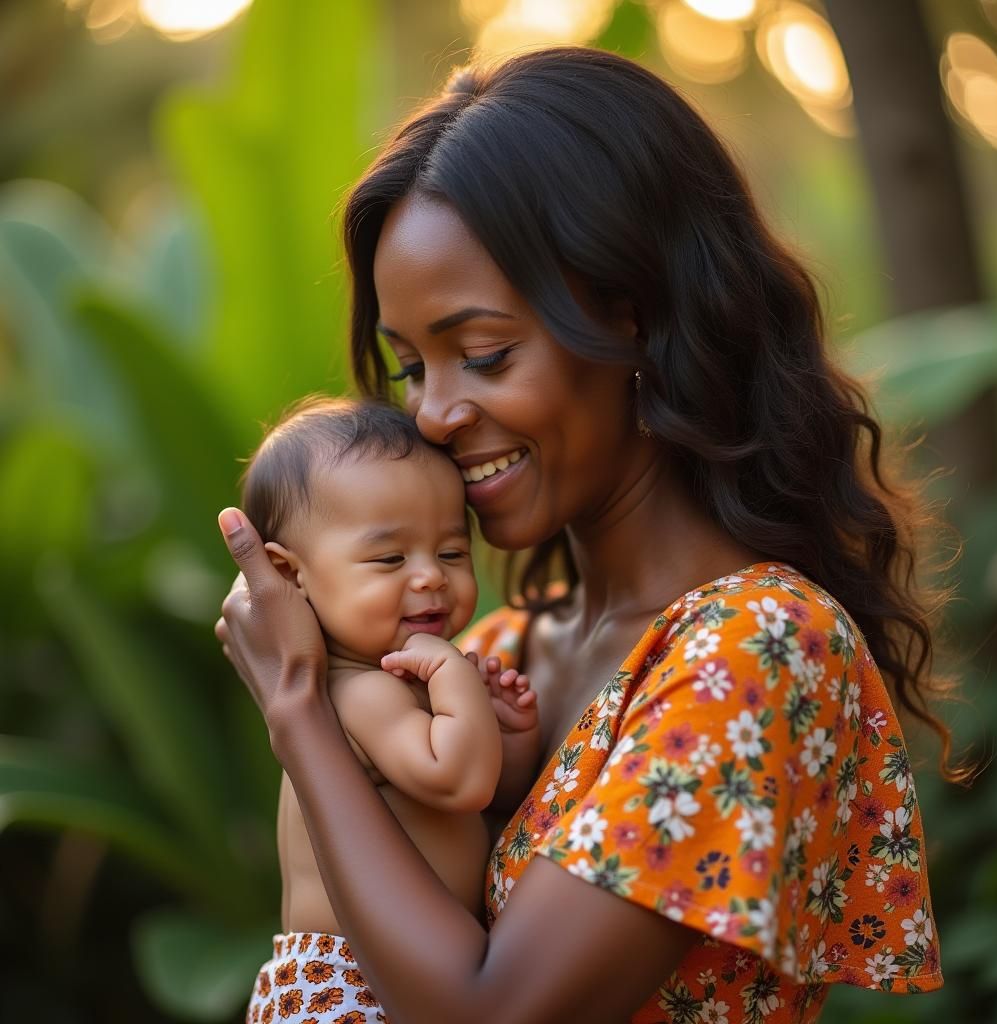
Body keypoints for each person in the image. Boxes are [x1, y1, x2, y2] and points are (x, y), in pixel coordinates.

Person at [216, 47, 954, 1024]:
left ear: (636, 319)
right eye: (409, 368)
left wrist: (299, 703)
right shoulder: (494, 652)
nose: (433, 414)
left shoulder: (758, 652)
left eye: (482, 353)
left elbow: (493, 1012)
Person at [236, 396, 539, 1022]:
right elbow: (456, 778)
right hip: (348, 987)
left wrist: (509, 740)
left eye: (452, 553)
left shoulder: (387, 684)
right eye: (389, 558)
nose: (430, 577)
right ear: (290, 576)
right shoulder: (358, 692)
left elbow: (479, 798)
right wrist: (455, 675)